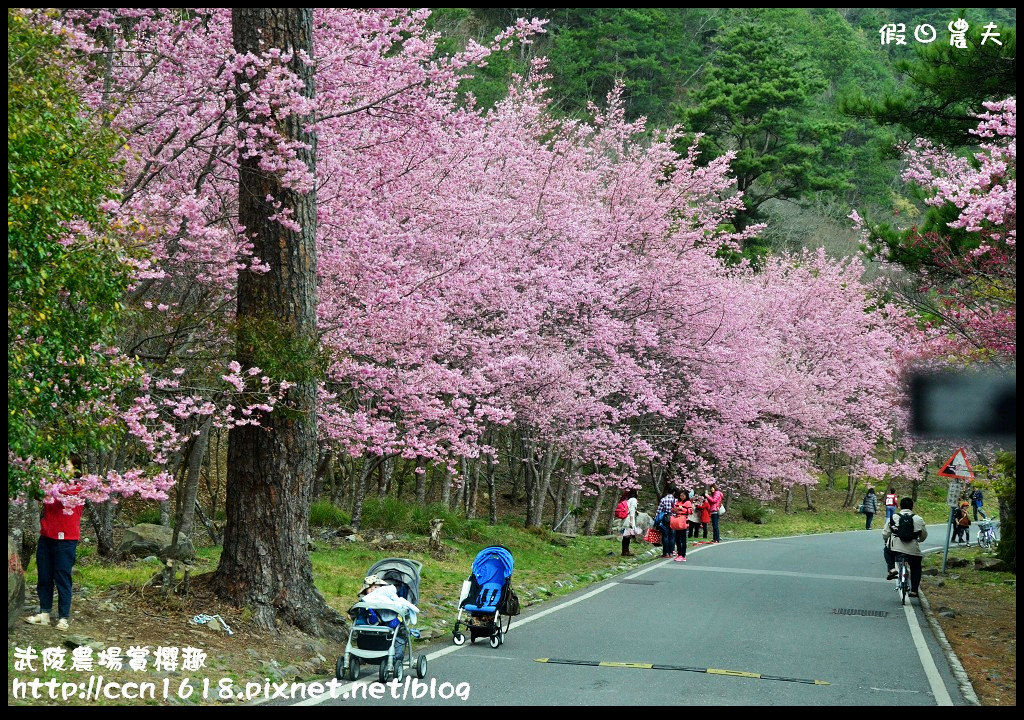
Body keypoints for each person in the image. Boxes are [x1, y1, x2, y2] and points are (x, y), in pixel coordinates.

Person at [24, 461, 83, 631]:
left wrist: (50, 484)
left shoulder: (79, 488)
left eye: (67, 466)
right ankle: (44, 613)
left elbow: (61, 495)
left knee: (62, 578)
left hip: (66, 540)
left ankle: (63, 617)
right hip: (46, 536)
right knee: (44, 576)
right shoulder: (51, 485)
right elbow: (36, 493)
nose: (62, 469)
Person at [882, 497, 928, 598]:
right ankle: (914, 591)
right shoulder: (918, 519)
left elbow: (885, 533)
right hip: (913, 550)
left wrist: (886, 539)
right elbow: (924, 535)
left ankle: (892, 569)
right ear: (912, 506)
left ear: (900, 506)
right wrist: (918, 540)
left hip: (895, 548)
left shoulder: (894, 517)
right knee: (916, 566)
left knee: (886, 550)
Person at [614, 489, 640, 557]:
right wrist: (631, 521)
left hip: (625, 519)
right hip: (629, 520)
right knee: (627, 537)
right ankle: (625, 552)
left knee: (626, 536)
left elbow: (629, 509)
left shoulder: (628, 499)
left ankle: (625, 551)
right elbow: (631, 511)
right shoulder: (634, 500)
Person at [671, 490, 693, 562]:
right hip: (677, 520)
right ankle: (679, 553)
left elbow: (690, 511)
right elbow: (674, 509)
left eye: (683, 496)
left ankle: (683, 555)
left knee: (683, 539)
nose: (682, 497)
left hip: (683, 521)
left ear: (686, 496)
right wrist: (674, 509)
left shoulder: (688, 502)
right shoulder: (678, 501)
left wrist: (682, 508)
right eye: (681, 496)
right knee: (677, 538)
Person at [657, 488, 677, 558]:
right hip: (674, 518)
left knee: (665, 536)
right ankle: (671, 552)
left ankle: (666, 553)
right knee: (672, 536)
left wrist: (657, 519)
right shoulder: (676, 500)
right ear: (674, 492)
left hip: (665, 518)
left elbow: (659, 511)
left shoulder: (663, 499)